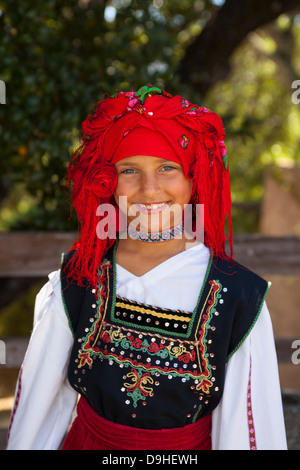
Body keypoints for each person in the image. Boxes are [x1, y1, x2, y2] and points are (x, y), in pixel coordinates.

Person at [6, 85, 287, 450]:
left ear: (194, 177)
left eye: (167, 167)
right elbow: (39, 410)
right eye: (129, 170)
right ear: (108, 180)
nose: (149, 188)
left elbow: (245, 431)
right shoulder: (78, 279)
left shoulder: (238, 297)